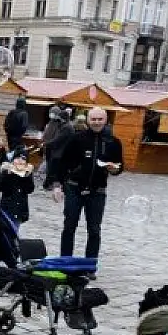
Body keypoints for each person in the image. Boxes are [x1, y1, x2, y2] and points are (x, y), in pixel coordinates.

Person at [52, 107, 124, 261]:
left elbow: (119, 166)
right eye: (93, 119)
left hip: (97, 191)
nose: (96, 122)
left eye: (100, 119)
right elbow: (62, 163)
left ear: (106, 120)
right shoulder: (77, 138)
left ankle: (90, 265)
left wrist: (114, 170)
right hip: (74, 187)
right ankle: (65, 261)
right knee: (69, 227)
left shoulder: (113, 142)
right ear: (88, 120)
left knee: (94, 230)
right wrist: (57, 185)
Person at [0, 147, 36, 226]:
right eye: (17, 158)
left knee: (15, 229)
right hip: (7, 208)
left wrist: (26, 176)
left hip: (20, 209)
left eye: (23, 159)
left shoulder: (27, 173)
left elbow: (30, 189)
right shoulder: (7, 171)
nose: (20, 161)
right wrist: (9, 175)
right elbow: (3, 188)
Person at [41, 107, 70, 190]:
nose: (51, 114)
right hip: (49, 147)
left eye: (53, 113)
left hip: (54, 148)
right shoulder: (51, 122)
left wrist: (48, 143)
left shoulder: (60, 125)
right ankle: (49, 183)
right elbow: (47, 133)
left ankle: (49, 184)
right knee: (49, 165)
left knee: (52, 167)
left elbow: (57, 138)